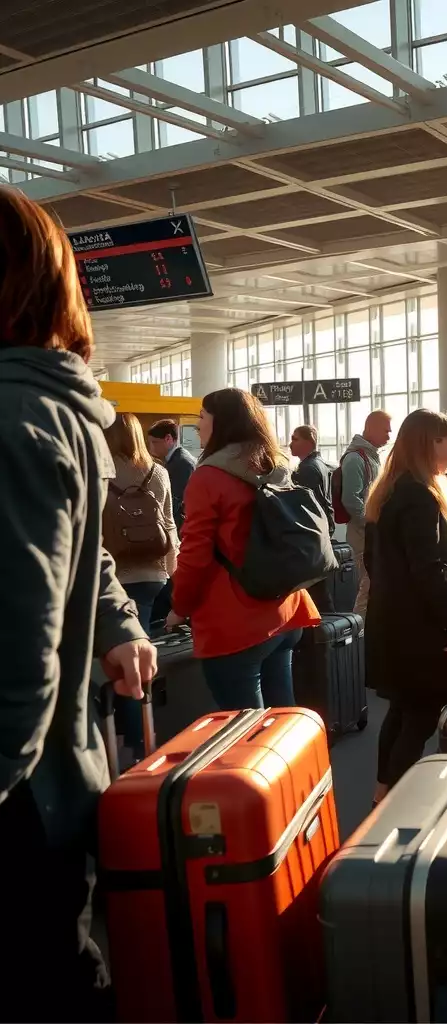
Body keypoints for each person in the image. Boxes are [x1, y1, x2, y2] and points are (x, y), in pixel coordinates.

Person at [0, 187, 156, 1021]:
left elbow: (14, 661)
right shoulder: (60, 408)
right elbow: (82, 549)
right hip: (58, 772)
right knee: (58, 959)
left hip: (18, 791)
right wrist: (124, 624)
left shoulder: (10, 416)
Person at [164, 388, 319, 711]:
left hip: (236, 618)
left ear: (222, 424)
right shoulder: (274, 465)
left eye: (202, 418)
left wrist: (179, 606)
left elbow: (195, 553)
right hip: (286, 607)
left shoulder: (209, 477)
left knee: (245, 731)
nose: (197, 427)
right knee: (281, 719)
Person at [364, 409, 447, 805]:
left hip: (391, 622)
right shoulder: (421, 496)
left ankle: (382, 792)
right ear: (425, 443)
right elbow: (427, 572)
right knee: (421, 715)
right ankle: (393, 801)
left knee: (402, 711)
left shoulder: (392, 490)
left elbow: (386, 558)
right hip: (417, 629)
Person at [104, 412, 178, 633]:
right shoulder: (158, 472)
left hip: (112, 570)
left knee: (114, 638)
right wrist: (171, 569)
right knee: (140, 631)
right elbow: (169, 523)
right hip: (152, 572)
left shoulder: (99, 472)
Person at [338, 409, 392, 619]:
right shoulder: (356, 459)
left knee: (371, 582)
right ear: (371, 428)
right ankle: (359, 631)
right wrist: (371, 523)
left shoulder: (369, 458)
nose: (389, 436)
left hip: (369, 529)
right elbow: (351, 500)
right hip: (363, 532)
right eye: (386, 431)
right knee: (368, 583)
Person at [146, 418, 196, 531]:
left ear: (168, 438)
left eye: (155, 442)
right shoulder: (177, 459)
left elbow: (174, 502)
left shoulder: (181, 463)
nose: (151, 448)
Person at [290, 424, 333, 522]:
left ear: (308, 443)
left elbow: (307, 507)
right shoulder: (319, 463)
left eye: (295, 439)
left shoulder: (307, 469)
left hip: (313, 526)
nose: (290, 444)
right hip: (322, 524)